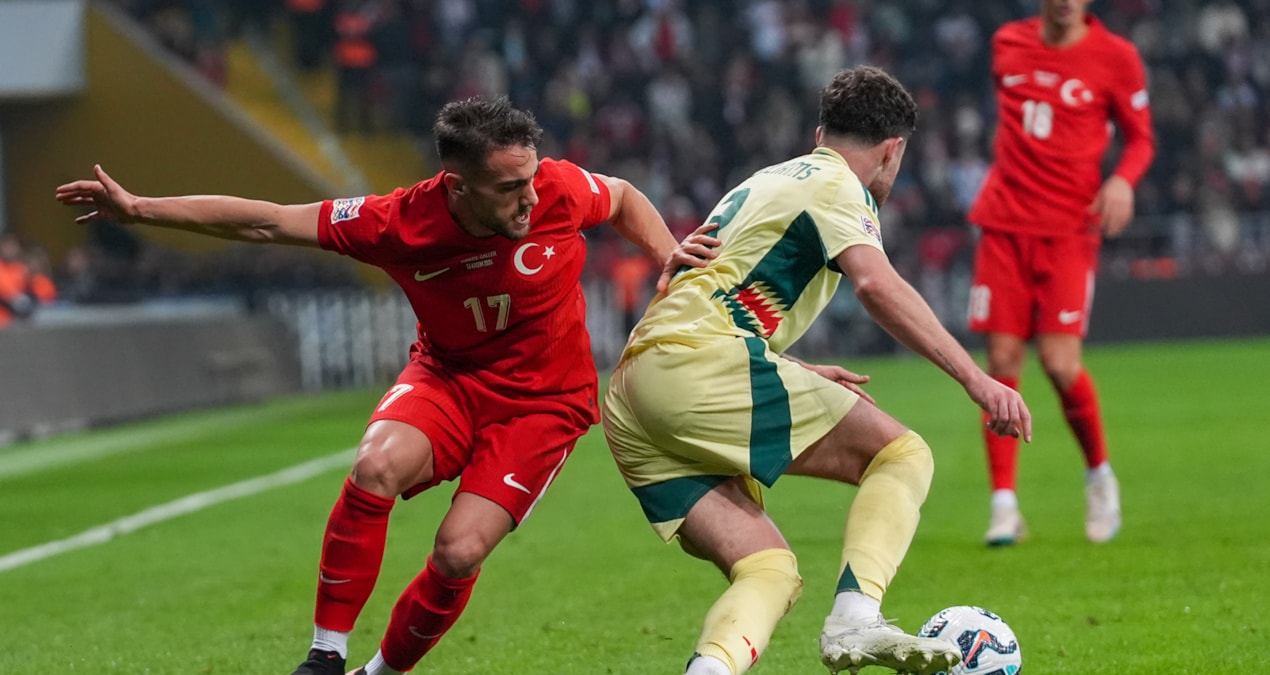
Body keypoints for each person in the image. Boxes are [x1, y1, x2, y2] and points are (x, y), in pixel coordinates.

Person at [55, 96, 711, 675]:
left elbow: (621, 196)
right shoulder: (396, 221)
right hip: (449, 379)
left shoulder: (557, 189)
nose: (531, 197)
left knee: (458, 552)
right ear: (457, 185)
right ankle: (325, 655)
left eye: (531, 177)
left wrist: (667, 253)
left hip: (544, 403)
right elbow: (269, 220)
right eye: (511, 186)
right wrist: (140, 208)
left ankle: (380, 671)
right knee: (374, 466)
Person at [601, 66, 1032, 675]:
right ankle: (857, 617)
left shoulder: (767, 179)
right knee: (901, 455)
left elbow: (716, 297)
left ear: (820, 133)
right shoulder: (839, 187)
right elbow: (876, 285)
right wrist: (976, 379)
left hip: (634, 390)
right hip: (700, 366)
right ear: (893, 151)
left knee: (767, 569)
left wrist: (787, 366)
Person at [967, 0, 1155, 546]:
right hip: (1004, 224)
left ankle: (1099, 476)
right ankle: (1004, 506)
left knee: (1059, 363)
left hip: (1071, 229)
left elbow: (1141, 137)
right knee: (1002, 362)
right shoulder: (1007, 44)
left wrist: (1121, 181)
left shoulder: (1117, 57)